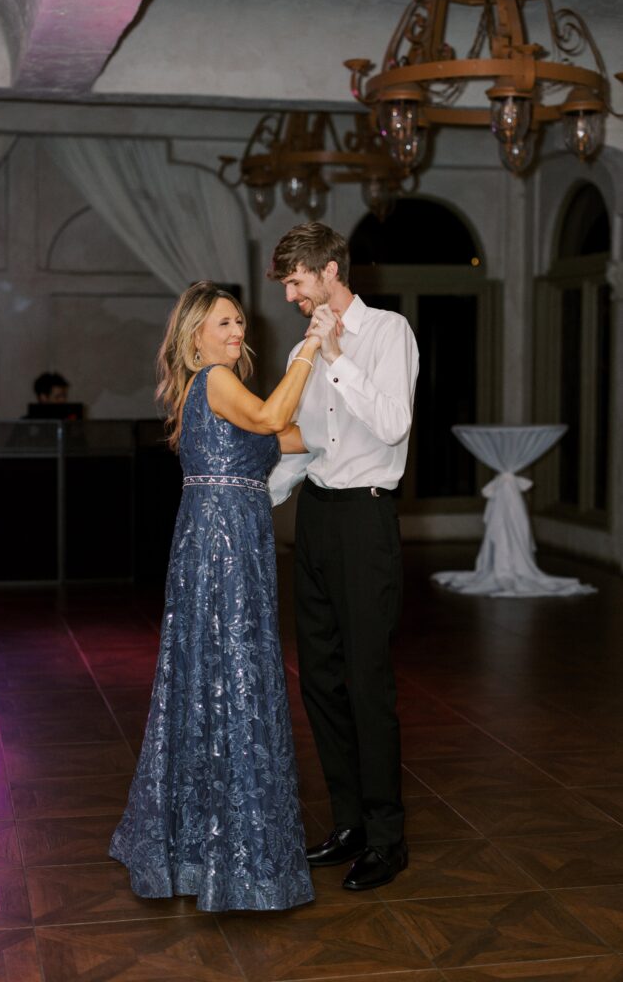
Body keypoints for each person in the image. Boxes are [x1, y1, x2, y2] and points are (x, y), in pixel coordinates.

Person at [110, 280, 325, 912]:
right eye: (225, 323)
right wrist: (310, 350)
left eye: (239, 324)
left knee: (214, 680)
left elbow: (286, 438)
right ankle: (235, 858)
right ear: (196, 334)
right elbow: (271, 420)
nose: (237, 333)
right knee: (234, 678)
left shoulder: (217, 389)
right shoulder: (213, 380)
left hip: (229, 542)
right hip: (224, 547)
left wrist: (339, 420)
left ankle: (201, 849)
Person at [268, 222, 419, 892]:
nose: (293, 298)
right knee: (320, 681)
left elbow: (389, 424)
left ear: (329, 270)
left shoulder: (388, 334)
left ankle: (388, 839)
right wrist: (251, 506)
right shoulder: (306, 344)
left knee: (365, 682)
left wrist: (332, 354)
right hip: (319, 520)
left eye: (297, 283)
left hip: (366, 518)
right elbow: (305, 446)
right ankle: (350, 823)